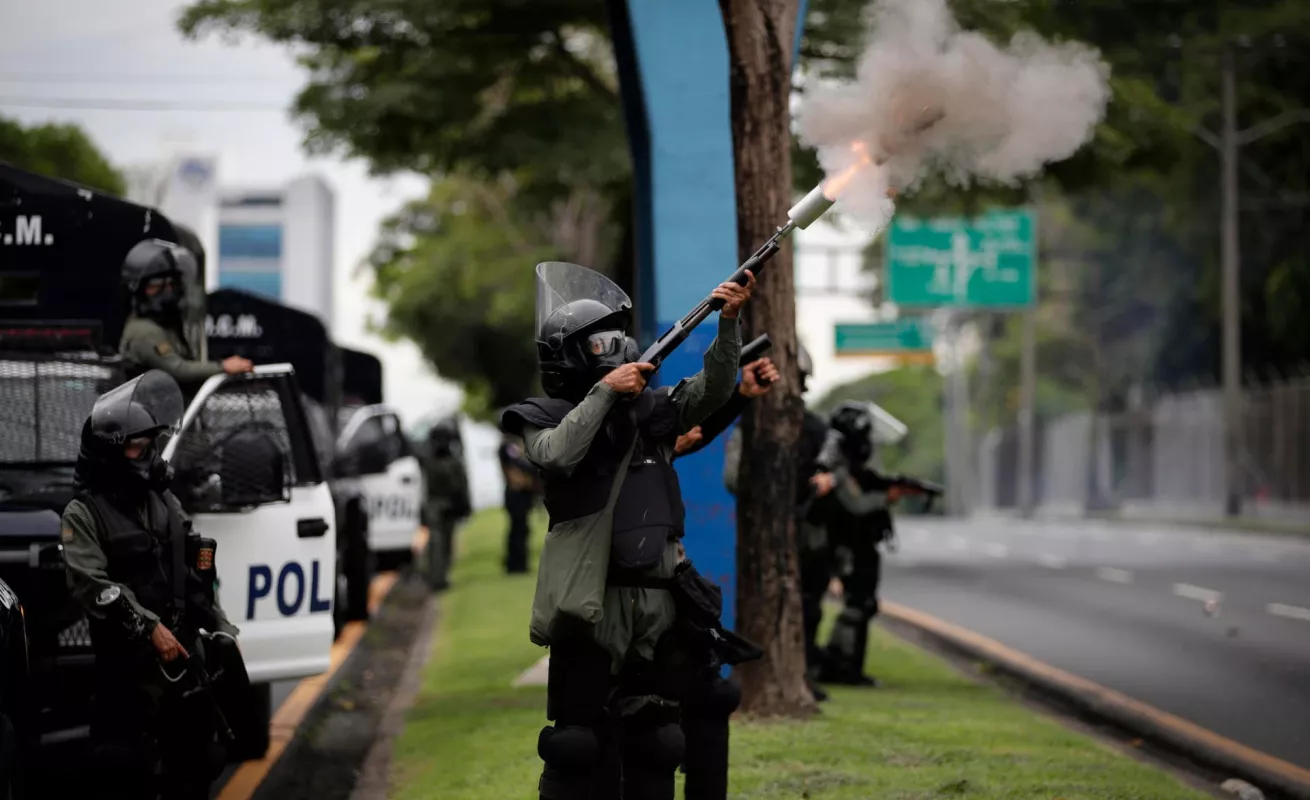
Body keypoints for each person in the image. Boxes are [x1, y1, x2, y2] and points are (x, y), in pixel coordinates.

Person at [500, 261, 752, 800]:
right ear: (567, 354)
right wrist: (606, 394)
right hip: (594, 605)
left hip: (659, 603)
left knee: (659, 740)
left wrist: (727, 324)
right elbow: (557, 454)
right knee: (575, 744)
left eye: (617, 340)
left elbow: (712, 390)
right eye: (598, 345)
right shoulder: (541, 416)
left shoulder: (654, 412)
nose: (614, 350)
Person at [60, 370, 240, 799]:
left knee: (198, 764)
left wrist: (219, 626)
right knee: (123, 771)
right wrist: (148, 628)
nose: (149, 457)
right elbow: (92, 584)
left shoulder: (164, 502)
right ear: (111, 453)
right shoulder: (83, 514)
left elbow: (196, 569)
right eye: (138, 447)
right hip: (127, 668)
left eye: (151, 444)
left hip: (181, 656)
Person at [667, 355, 776, 800]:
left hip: (670, 586)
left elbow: (693, 433)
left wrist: (739, 397)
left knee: (714, 695)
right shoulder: (591, 447)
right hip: (619, 602)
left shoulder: (654, 448)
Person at [721, 344, 836, 702]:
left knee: (810, 605)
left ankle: (803, 672)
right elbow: (734, 478)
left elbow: (836, 472)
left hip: (807, 528)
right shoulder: (754, 421)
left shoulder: (817, 428)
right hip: (771, 529)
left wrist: (825, 481)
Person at [814, 401, 902, 687]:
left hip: (860, 545)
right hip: (848, 546)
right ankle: (842, 667)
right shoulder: (836, 467)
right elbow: (856, 505)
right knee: (856, 606)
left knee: (863, 605)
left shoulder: (852, 466)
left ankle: (846, 666)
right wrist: (885, 497)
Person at [119, 238, 251, 400]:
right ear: (139, 291)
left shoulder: (166, 325)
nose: (167, 292)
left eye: (171, 284)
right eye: (156, 285)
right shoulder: (144, 331)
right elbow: (178, 369)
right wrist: (223, 367)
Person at [420, 415, 472, 590]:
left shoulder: (448, 461)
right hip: (438, 505)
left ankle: (440, 576)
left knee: (445, 543)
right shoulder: (432, 461)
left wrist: (464, 506)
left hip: (446, 505)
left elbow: (462, 486)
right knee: (438, 543)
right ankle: (437, 577)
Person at [499, 430, 539, 574]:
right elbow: (519, 463)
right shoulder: (509, 446)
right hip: (516, 493)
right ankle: (516, 565)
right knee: (518, 529)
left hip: (521, 493)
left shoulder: (510, 444)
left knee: (520, 529)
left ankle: (517, 563)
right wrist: (536, 468)